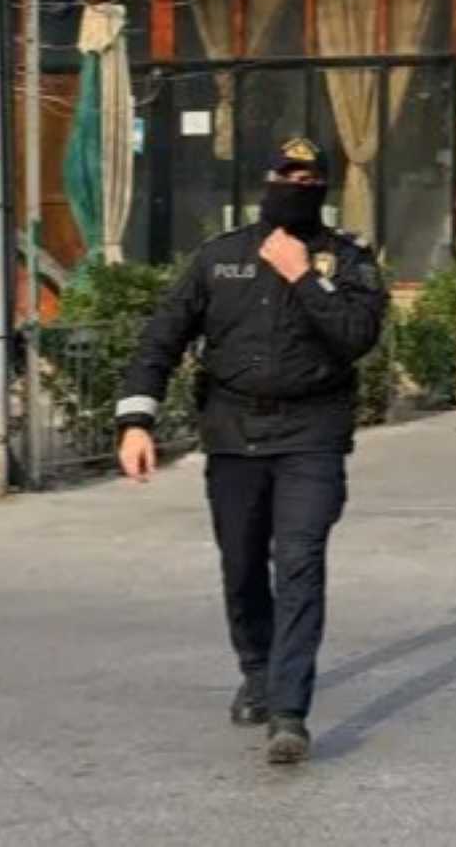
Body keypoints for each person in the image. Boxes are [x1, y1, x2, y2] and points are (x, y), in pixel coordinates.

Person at [114, 137, 386, 766]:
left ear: (325, 186)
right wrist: (136, 419)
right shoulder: (220, 258)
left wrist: (301, 277)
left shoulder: (346, 262)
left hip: (311, 436)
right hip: (233, 436)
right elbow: (163, 337)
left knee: (298, 562)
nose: (296, 184)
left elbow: (355, 337)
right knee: (241, 564)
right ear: (266, 179)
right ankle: (258, 670)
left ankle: (289, 712)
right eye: (285, 173)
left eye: (309, 176)